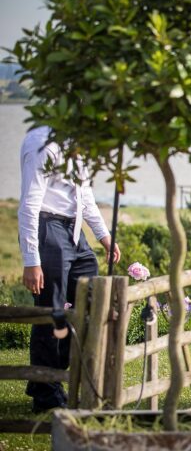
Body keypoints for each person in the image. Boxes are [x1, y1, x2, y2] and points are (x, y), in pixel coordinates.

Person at [18, 125, 120, 413]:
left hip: (73, 232)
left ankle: (48, 379)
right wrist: (31, 260)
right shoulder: (42, 144)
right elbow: (29, 203)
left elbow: (84, 197)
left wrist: (104, 236)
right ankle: (46, 394)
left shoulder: (78, 145)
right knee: (51, 311)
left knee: (90, 300)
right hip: (47, 226)